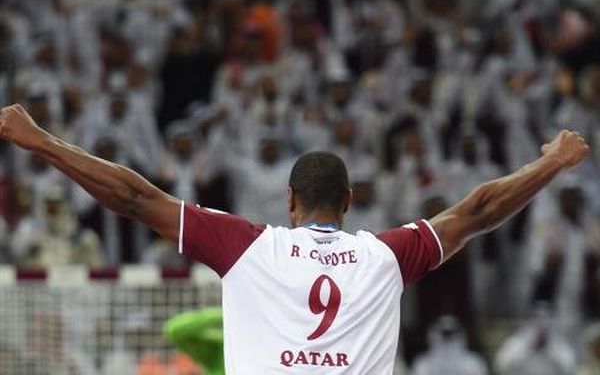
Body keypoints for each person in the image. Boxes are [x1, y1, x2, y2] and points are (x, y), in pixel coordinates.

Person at [0, 103, 590, 374]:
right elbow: (478, 210)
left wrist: (43, 142)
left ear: (288, 201)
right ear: (350, 202)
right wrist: (550, 164)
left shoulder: (248, 247)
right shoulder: (383, 256)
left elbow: (134, 198)